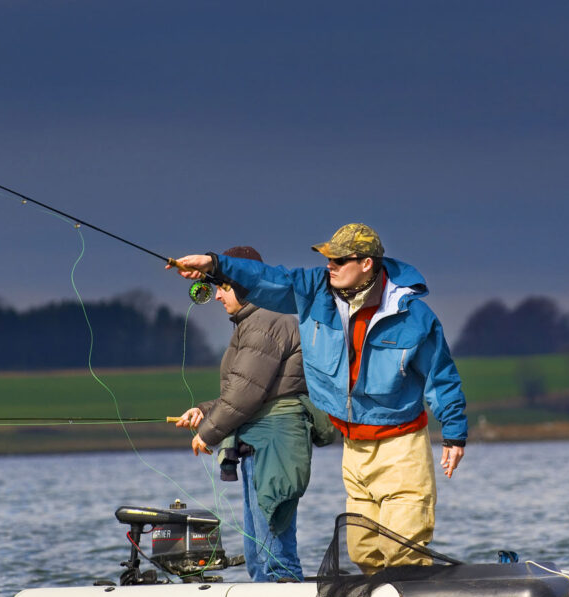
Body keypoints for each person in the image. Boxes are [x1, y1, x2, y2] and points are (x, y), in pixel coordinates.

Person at [170, 224, 468, 575]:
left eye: (340, 260)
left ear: (368, 264)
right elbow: (269, 277)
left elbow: (441, 375)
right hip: (354, 448)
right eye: (328, 258)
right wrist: (214, 265)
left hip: (401, 443)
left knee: (402, 549)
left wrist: (454, 433)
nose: (331, 266)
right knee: (365, 552)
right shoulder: (314, 290)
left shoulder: (415, 317)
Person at [175, 245, 321, 583]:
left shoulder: (265, 320)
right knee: (259, 554)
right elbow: (250, 390)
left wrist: (208, 433)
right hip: (261, 441)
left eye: (222, 286)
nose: (216, 297)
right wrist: (203, 411)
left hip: (275, 442)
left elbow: (246, 393)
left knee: (275, 554)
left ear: (243, 282)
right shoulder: (254, 322)